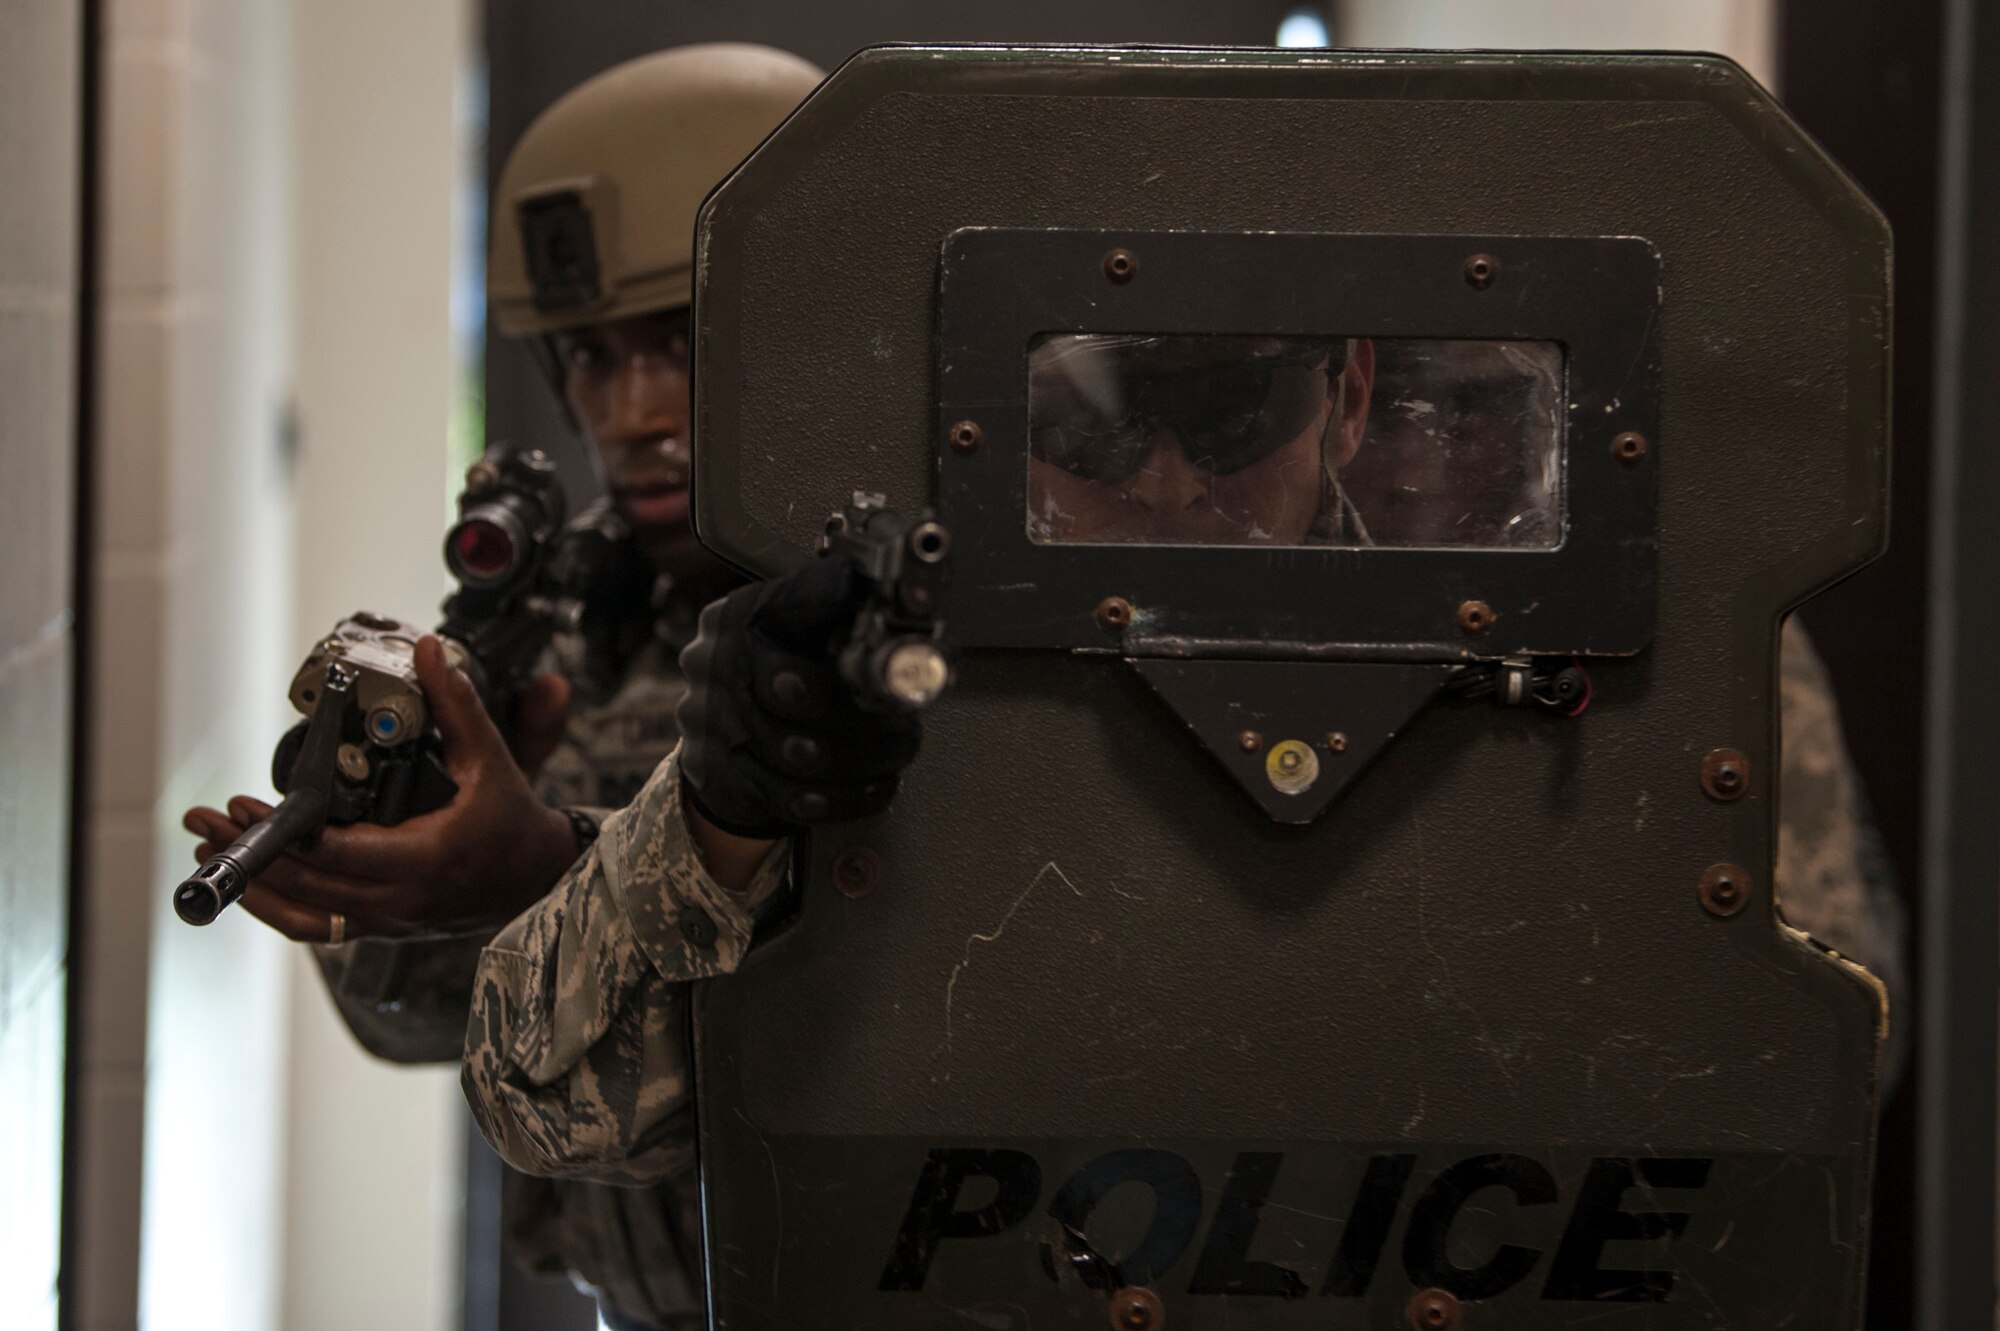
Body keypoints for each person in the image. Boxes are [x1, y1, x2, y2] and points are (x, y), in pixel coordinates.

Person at [456, 319, 1909, 1201]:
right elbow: (545, 1093)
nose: (1161, 481)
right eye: (1095, 425)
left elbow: (1829, 1056)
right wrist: (720, 815)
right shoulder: (888, 668)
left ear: (1342, 393)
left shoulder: (1572, 634)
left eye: (1225, 415)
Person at [179, 43, 891, 1330]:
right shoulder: (577, 623)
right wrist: (392, 870)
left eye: (681, 344)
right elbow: (421, 1036)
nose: (629, 412)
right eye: (591, 358)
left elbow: (842, 1047)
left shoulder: (890, 646)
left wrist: (542, 872)